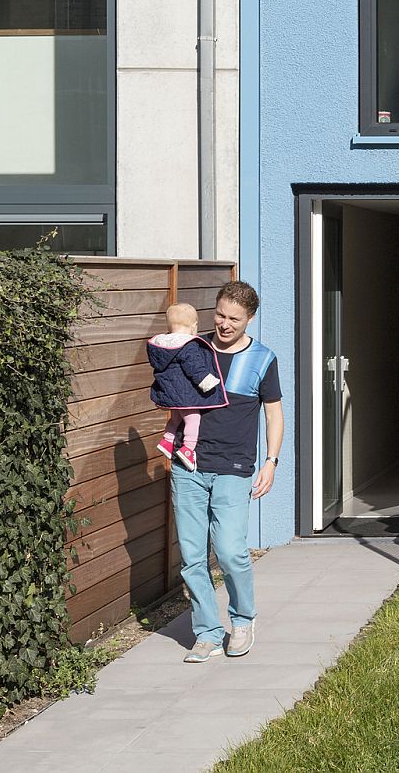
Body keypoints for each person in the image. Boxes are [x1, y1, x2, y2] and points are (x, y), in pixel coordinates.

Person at [174, 279, 284, 664]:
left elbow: (274, 413)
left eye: (233, 318)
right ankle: (205, 631)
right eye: (220, 315)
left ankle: (242, 620)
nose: (224, 324)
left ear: (249, 319)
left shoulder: (262, 359)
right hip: (187, 465)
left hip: (234, 468)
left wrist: (271, 461)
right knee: (191, 556)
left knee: (231, 551)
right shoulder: (195, 350)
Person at [147, 301, 226, 472]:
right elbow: (194, 368)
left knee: (176, 417)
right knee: (193, 418)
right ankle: (188, 449)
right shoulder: (188, 345)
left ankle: (167, 440)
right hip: (184, 394)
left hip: (169, 394)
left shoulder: (161, 345)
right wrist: (208, 382)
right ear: (193, 326)